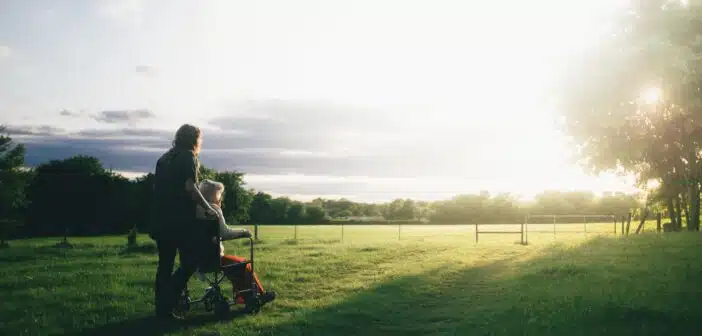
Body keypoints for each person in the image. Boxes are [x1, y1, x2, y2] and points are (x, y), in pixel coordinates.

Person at [152, 124, 218, 321]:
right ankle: (169, 301)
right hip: (179, 220)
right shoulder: (188, 157)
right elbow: (190, 188)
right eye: (200, 138)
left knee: (165, 265)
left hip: (160, 218)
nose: (201, 142)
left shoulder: (165, 158)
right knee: (191, 261)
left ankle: (162, 310)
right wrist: (208, 207)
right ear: (194, 139)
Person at [194, 179, 276, 306]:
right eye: (219, 194)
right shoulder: (213, 209)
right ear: (213, 195)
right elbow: (225, 233)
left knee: (234, 265)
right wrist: (244, 232)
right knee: (242, 264)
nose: (221, 197)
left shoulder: (192, 209)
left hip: (193, 259)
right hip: (212, 258)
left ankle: (245, 296)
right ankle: (258, 295)